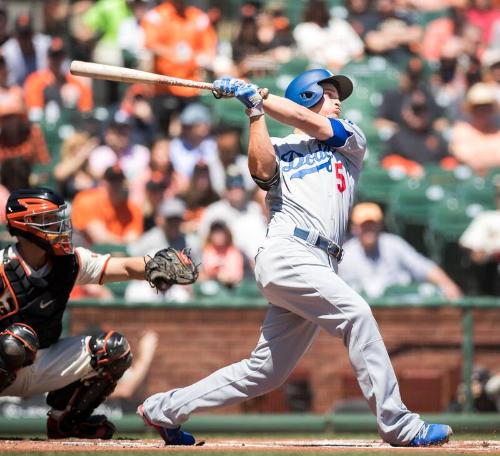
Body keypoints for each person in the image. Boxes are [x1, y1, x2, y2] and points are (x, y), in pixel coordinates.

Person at [137, 69, 453, 446]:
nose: (339, 101)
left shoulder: (349, 139)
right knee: (357, 314)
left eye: (339, 95)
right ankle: (399, 425)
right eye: (330, 93)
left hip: (321, 262)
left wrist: (258, 98)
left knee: (265, 372)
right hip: (288, 251)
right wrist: (255, 113)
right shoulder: (281, 147)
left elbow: (308, 122)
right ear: (305, 95)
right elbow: (260, 170)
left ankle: (164, 409)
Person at [0, 187, 190, 439]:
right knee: (16, 342)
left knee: (113, 349)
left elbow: (120, 267)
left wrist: (157, 265)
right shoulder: (3, 268)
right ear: (24, 223)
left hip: (44, 362)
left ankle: (65, 422)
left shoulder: (69, 262)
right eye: (48, 220)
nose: (58, 225)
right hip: (7, 363)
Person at [338, 202, 463, 299]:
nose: (369, 229)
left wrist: (448, 284)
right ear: (354, 228)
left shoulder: (393, 244)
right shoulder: (345, 254)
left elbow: (423, 267)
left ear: (380, 225)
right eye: (364, 225)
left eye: (372, 224)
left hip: (400, 314)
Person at [71, 165, 144, 245]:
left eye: (119, 181)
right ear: (103, 183)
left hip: (121, 256)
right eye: (111, 181)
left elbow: (132, 240)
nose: (116, 185)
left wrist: (121, 243)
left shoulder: (133, 210)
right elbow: (99, 238)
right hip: (88, 253)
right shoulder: (87, 199)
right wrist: (122, 241)